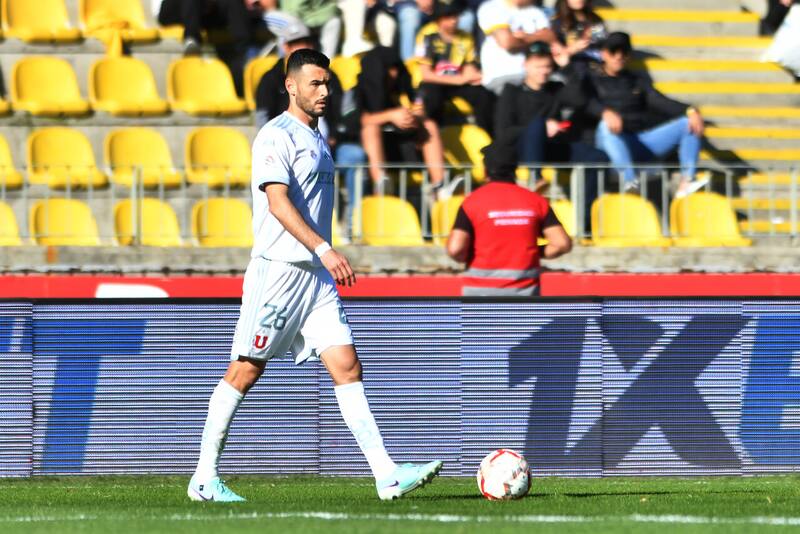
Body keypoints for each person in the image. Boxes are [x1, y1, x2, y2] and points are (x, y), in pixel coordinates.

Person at [187, 49, 442, 502]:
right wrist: (324, 249)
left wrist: (321, 257)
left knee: (347, 365)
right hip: (280, 272)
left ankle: (386, 475)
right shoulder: (275, 135)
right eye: (315, 84)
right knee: (245, 369)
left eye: (327, 84)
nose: (324, 92)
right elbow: (277, 202)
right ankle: (204, 477)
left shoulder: (318, 136)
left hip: (315, 280)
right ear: (291, 85)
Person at [254, 20, 366, 235]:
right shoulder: (271, 85)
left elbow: (345, 112)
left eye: (307, 41)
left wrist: (336, 134)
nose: (323, 91)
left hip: (330, 142)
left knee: (355, 156)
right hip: (284, 263)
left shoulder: (327, 77)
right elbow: (262, 117)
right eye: (296, 42)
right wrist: (324, 250)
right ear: (285, 46)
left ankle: (353, 225)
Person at [495, 41, 607, 229]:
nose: (543, 71)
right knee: (537, 125)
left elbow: (579, 100)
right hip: (522, 149)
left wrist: (567, 67)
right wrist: (540, 128)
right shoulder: (511, 92)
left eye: (547, 66)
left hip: (551, 147)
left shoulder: (555, 88)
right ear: (526, 65)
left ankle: (585, 218)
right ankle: (535, 177)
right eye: (538, 66)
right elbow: (503, 132)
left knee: (597, 157)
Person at [584, 32, 706, 196]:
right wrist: (604, 112)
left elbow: (660, 101)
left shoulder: (637, 81)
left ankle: (688, 180)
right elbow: (581, 101)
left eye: (624, 52)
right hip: (607, 146)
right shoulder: (591, 79)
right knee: (606, 125)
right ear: (604, 54)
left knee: (688, 122)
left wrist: (690, 110)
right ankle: (629, 182)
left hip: (637, 141)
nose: (619, 57)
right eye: (614, 52)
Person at [446, 142, 572, 296]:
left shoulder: (472, 202)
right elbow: (562, 244)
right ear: (515, 170)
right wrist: (532, 252)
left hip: (478, 298)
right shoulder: (536, 201)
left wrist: (475, 255)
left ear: (485, 171)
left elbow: (455, 249)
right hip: (524, 297)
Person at [357, 46, 446, 193]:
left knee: (429, 125)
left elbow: (419, 108)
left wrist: (413, 117)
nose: (394, 73)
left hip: (406, 144)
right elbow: (362, 121)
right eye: (388, 69)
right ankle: (381, 185)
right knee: (370, 129)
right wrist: (391, 115)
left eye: (395, 68)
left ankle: (440, 186)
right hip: (376, 147)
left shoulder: (404, 89)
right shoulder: (360, 89)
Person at [414, 0, 494, 134]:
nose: (454, 21)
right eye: (448, 17)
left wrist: (472, 76)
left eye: (455, 16)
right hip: (434, 82)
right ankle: (432, 137)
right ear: (438, 19)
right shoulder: (426, 35)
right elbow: (426, 75)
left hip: (458, 82)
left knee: (484, 96)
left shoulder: (466, 37)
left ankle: (488, 137)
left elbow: (469, 64)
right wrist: (460, 79)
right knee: (432, 98)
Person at [476, 0, 556, 94]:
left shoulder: (535, 10)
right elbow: (507, 42)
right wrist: (537, 37)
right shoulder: (491, 7)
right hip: (503, 76)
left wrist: (525, 37)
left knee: (563, 88)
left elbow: (550, 37)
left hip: (536, 75)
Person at [247, 0, 343, 58]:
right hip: (290, 19)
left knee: (325, 64)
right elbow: (267, 5)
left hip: (324, 18)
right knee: (271, 16)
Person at [550, 0, 606, 65]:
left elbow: (604, 46)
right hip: (570, 68)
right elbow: (556, 55)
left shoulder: (596, 20)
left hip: (595, 66)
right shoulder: (558, 22)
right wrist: (571, 49)